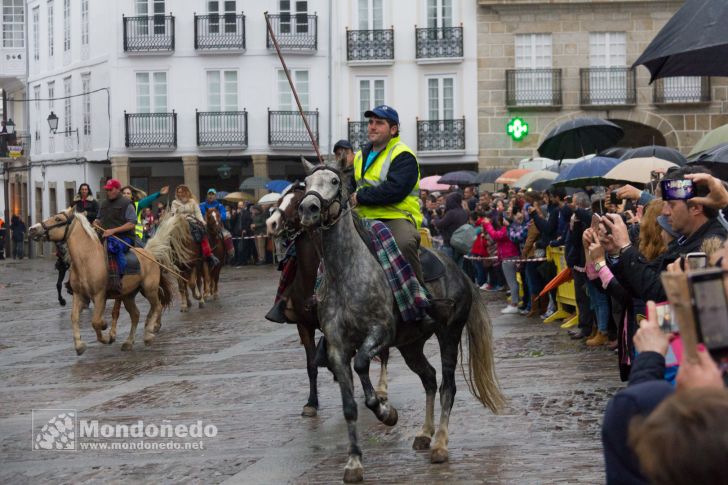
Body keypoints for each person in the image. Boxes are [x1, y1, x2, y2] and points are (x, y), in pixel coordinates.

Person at [602, 166, 727, 303]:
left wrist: (625, 247)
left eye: (671, 205)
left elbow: (660, 293)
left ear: (695, 208)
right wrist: (616, 252)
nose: (664, 212)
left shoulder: (712, 245)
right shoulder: (683, 240)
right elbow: (641, 285)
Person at [348, 104, 425, 284]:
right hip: (361, 218)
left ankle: (420, 295)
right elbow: (351, 186)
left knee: (404, 244)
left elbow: (394, 191)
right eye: (370, 122)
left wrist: (360, 197)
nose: (372, 126)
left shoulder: (404, 155)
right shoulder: (359, 156)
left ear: (393, 129)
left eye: (379, 123)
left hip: (395, 217)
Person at [97, 179, 137, 291]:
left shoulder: (127, 203)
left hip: (125, 238)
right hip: (105, 236)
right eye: (107, 190)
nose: (108, 192)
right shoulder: (104, 203)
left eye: (110, 189)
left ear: (117, 189)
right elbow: (99, 219)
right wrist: (96, 222)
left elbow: (132, 223)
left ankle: (117, 280)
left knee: (112, 248)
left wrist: (113, 230)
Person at [168, 184, 220, 267]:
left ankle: (209, 254)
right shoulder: (174, 202)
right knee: (169, 235)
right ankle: (169, 257)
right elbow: (173, 214)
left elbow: (198, 213)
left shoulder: (192, 201)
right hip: (179, 222)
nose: (180, 194)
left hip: (192, 221)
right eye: (178, 192)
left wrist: (202, 221)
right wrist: (181, 216)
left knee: (202, 232)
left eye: (181, 192)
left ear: (186, 192)